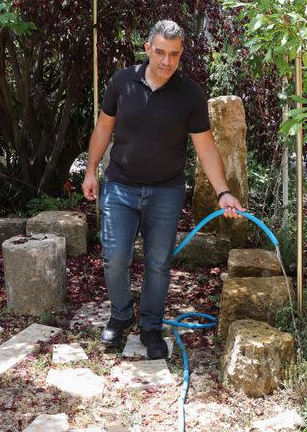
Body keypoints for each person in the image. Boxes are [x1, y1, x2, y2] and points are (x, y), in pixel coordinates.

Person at [82, 19, 244, 359]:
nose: (166, 61)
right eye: (160, 53)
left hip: (166, 192)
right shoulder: (121, 82)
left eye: (174, 54)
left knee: (158, 263)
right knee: (114, 258)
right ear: (147, 49)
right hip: (120, 187)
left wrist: (222, 192)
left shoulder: (190, 94)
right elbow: (103, 128)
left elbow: (206, 148)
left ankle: (151, 326)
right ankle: (121, 315)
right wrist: (91, 170)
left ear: (181, 54)